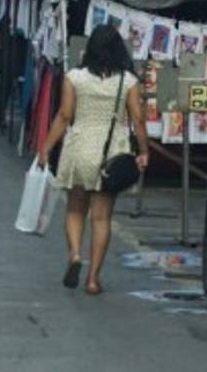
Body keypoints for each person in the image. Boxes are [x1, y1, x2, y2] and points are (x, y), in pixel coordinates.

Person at [38, 25, 150, 295]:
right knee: (101, 218)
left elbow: (65, 116)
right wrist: (144, 150)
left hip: (79, 148)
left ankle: (75, 254)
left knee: (75, 210)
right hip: (111, 153)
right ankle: (93, 279)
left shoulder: (74, 77)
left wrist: (45, 148)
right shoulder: (128, 81)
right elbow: (137, 119)